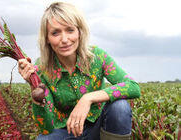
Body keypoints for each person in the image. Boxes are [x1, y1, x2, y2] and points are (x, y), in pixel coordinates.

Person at [18, 2, 140, 140]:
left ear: (79, 32)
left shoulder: (97, 57)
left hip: (99, 126)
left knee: (120, 107)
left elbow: (133, 86)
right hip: (67, 131)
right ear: (47, 39)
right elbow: (45, 127)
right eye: (55, 33)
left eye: (70, 30)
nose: (64, 39)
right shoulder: (41, 68)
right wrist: (34, 88)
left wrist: (87, 98)